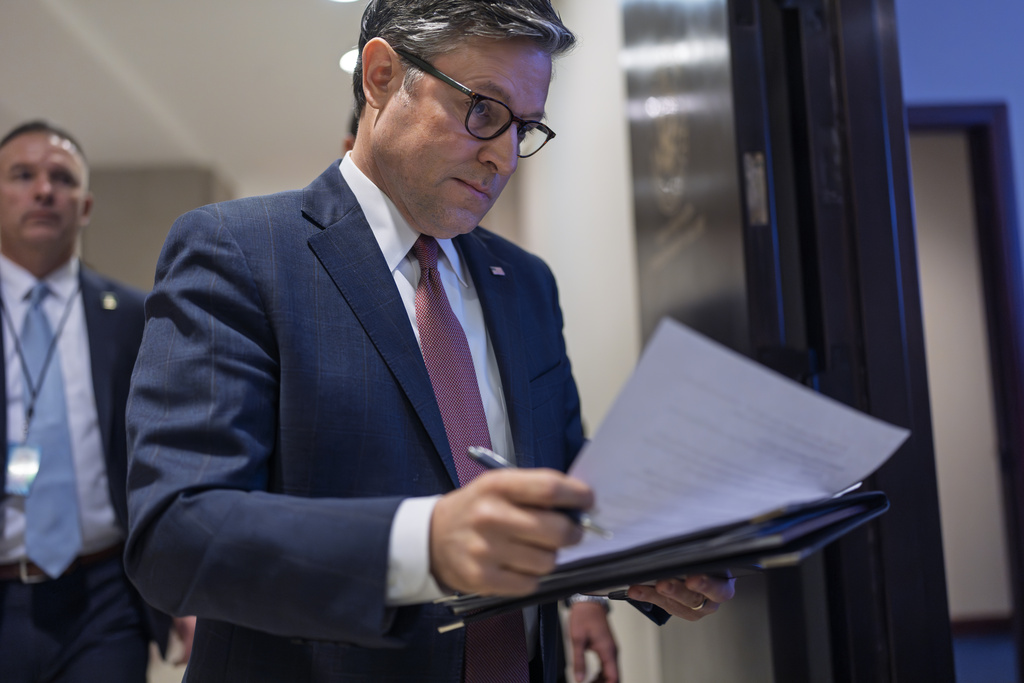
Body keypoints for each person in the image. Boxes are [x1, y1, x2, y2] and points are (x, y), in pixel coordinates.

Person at [124, 2, 735, 682]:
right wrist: (425, 545)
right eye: (483, 109)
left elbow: (561, 483)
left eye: (526, 127)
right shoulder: (239, 252)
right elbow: (176, 534)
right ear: (382, 76)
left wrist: (649, 556)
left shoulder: (524, 284)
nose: (504, 155)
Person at [0, 121, 195, 681]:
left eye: (61, 178)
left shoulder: (136, 316)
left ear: (84, 206)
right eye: (23, 175)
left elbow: (163, 458)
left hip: (104, 598)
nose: (44, 190)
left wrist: (183, 595)